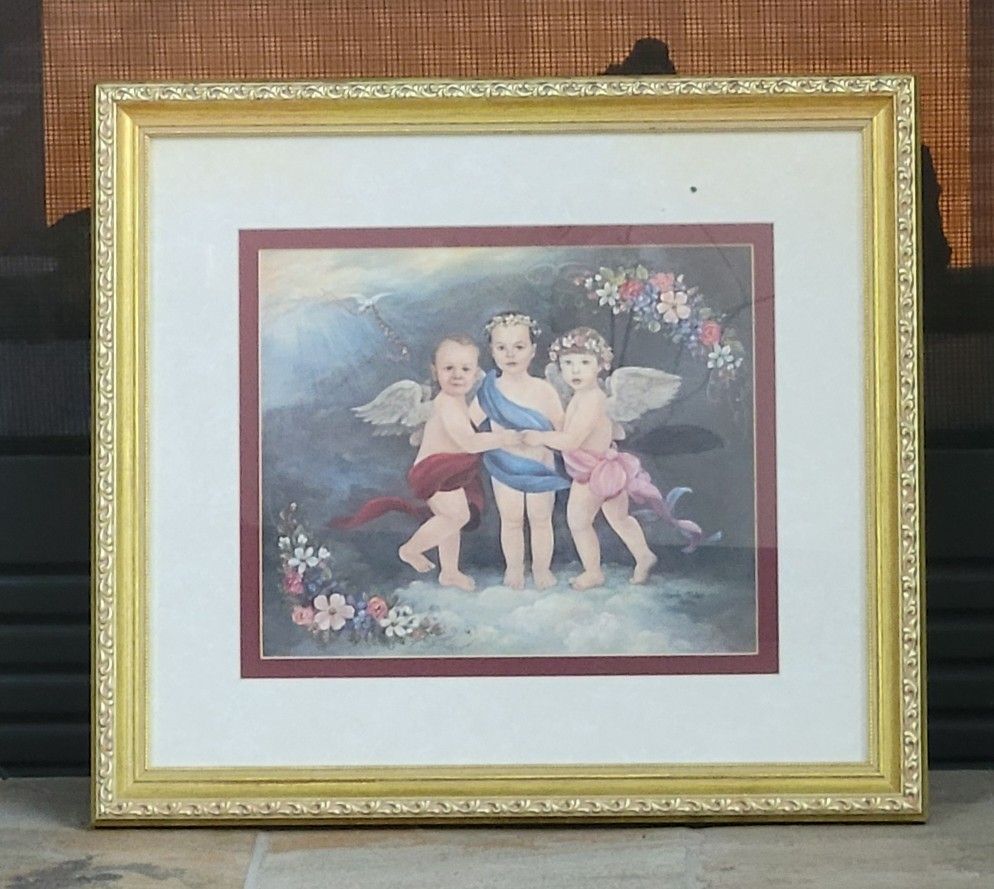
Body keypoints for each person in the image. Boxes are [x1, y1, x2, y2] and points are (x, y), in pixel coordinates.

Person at [523, 327, 709, 589]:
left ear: (601, 365)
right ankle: (644, 555)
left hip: (593, 474)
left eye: (584, 363)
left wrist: (540, 437)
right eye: (568, 363)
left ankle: (593, 572)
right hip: (607, 469)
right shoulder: (583, 396)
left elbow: (572, 440)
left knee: (578, 522)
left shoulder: (593, 400)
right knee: (620, 518)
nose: (575, 370)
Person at [334, 335, 520, 591]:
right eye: (449, 368)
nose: (457, 375)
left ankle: (450, 572)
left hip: (450, 470)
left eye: (465, 369)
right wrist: (503, 439)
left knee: (451, 519)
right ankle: (410, 549)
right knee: (456, 516)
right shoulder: (446, 404)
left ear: (475, 372)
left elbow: (471, 423)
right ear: (435, 371)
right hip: (435, 471)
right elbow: (469, 442)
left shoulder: (458, 401)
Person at [470, 312, 570, 590]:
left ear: (533, 350)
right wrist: (499, 439)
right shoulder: (489, 391)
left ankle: (541, 570)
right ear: (492, 351)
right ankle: (514, 569)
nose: (510, 354)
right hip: (504, 466)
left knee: (540, 519)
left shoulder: (544, 390)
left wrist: (542, 438)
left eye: (519, 346)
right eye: (502, 347)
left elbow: (563, 430)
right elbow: (466, 427)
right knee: (511, 520)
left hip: (541, 467)